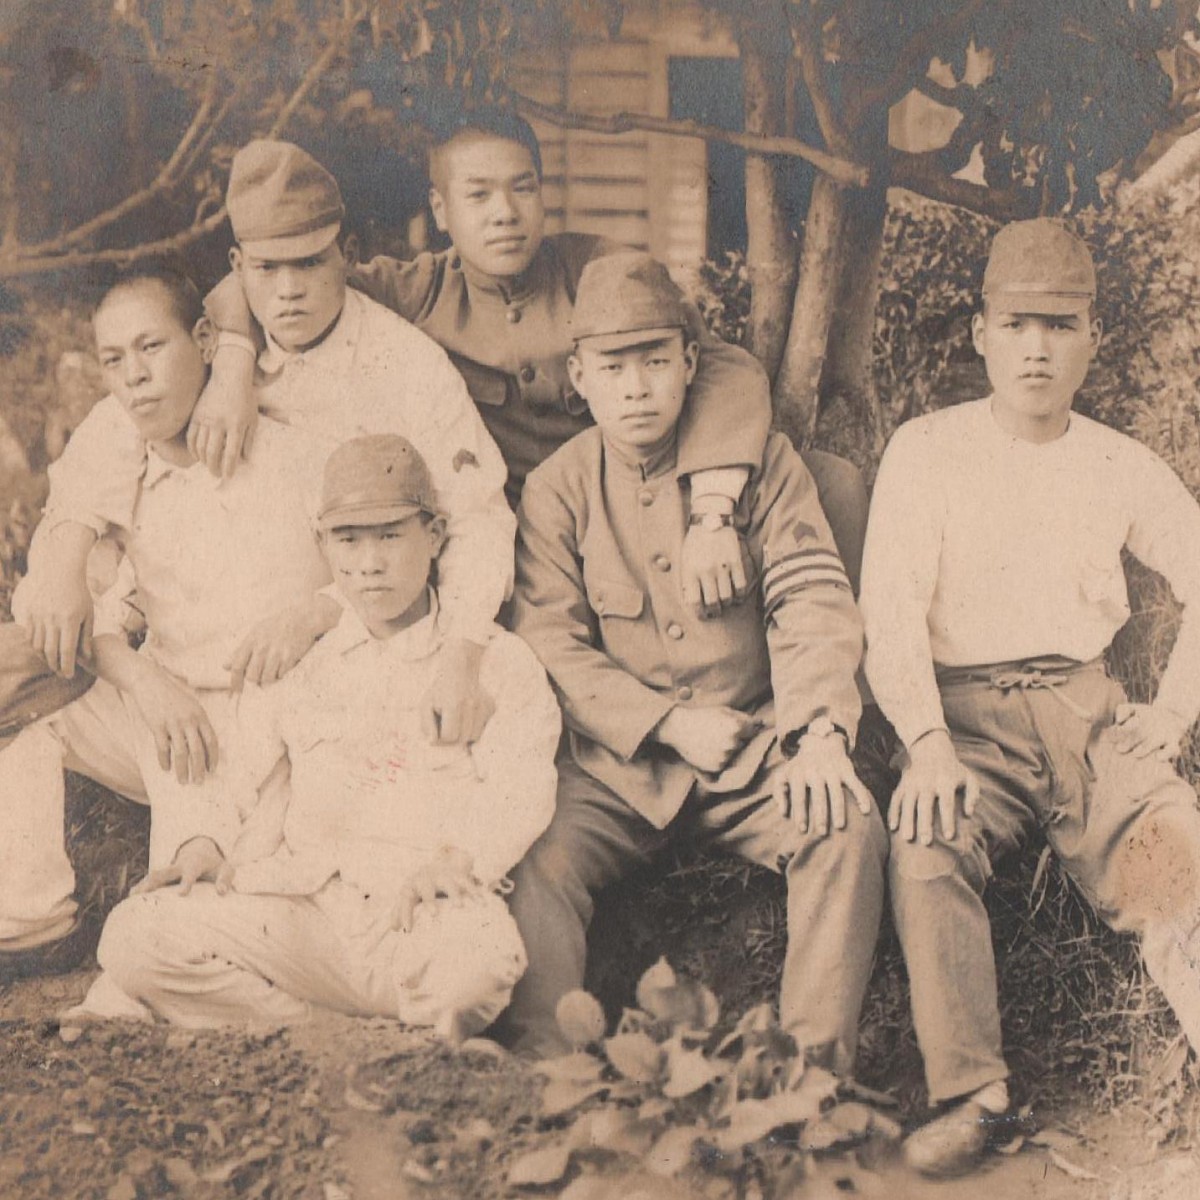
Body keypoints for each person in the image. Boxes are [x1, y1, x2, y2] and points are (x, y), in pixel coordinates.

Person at [198, 108, 867, 607]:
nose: (505, 214)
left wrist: (713, 508)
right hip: (523, 538)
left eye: (523, 189)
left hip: (640, 500)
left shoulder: (597, 269)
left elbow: (722, 367)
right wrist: (231, 366)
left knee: (832, 483)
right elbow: (258, 274)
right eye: (479, 195)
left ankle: (857, 704)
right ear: (441, 209)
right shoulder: (416, 290)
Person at [860, 218, 1200, 1177]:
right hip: (967, 724)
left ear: (1094, 337)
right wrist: (926, 742)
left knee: (1176, 851)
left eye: (1060, 325)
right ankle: (977, 1095)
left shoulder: (1117, 461)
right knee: (927, 844)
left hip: (1086, 720)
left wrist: (1174, 711)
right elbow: (889, 608)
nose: (1037, 349)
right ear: (981, 334)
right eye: (1016, 325)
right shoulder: (927, 451)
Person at [505, 251, 887, 1063]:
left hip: (754, 747)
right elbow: (550, 642)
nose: (636, 388)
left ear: (689, 362)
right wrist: (668, 725)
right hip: (622, 767)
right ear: (579, 376)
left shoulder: (760, 466)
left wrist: (820, 733)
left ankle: (808, 1073)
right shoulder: (557, 489)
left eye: (653, 361)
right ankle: (544, 1069)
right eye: (613, 367)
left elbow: (812, 596)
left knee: (844, 824)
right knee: (534, 854)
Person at [15, 138, 515, 745]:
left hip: (340, 623)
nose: (289, 290)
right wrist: (63, 560)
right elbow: (117, 423)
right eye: (267, 268)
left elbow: (477, 518)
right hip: (192, 619)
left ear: (347, 255)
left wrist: (459, 656)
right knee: (26, 668)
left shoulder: (405, 366)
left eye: (309, 263)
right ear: (237, 266)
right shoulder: (214, 341)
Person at [95, 434, 560, 1040]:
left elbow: (523, 786)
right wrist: (205, 844)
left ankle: (384, 1034)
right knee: (133, 936)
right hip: (305, 910)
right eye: (348, 539)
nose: (369, 563)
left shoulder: (491, 662)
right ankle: (321, 1036)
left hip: (421, 911)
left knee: (479, 965)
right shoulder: (301, 659)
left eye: (390, 536)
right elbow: (240, 776)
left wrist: (461, 860)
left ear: (435, 536)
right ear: (322, 544)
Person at [0, 262, 336, 960]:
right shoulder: (122, 460)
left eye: (152, 347)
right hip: (169, 720)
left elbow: (370, 586)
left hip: (276, 729)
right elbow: (79, 607)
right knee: (22, 681)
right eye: (113, 360)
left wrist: (313, 614)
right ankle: (32, 923)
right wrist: (143, 679)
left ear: (206, 340)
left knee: (204, 927)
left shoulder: (290, 452)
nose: (135, 376)